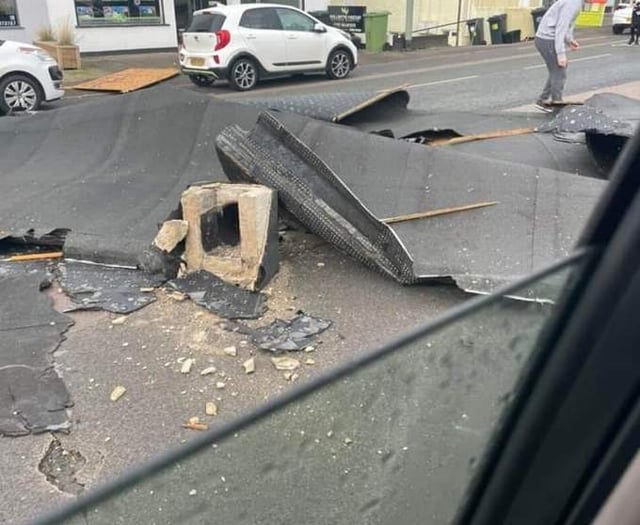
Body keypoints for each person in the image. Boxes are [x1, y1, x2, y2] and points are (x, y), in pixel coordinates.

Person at [534, 0, 583, 112]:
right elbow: (561, 27)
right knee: (559, 71)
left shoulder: (576, 3)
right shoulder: (572, 3)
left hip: (545, 38)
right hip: (547, 39)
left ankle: (543, 100)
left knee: (556, 71)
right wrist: (561, 54)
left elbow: (567, 25)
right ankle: (556, 106)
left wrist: (569, 40)